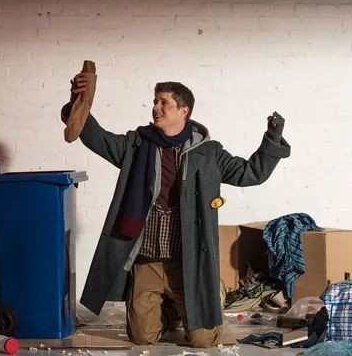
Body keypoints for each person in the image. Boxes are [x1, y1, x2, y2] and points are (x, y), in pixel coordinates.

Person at [61, 74, 291, 348]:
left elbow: (250, 173)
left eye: (164, 103)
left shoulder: (209, 153)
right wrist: (78, 100)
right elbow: (96, 137)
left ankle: (177, 307)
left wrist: (273, 137)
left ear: (184, 111)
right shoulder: (136, 145)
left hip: (187, 265)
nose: (156, 107)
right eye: (155, 101)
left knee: (203, 340)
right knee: (142, 338)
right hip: (147, 261)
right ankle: (169, 312)